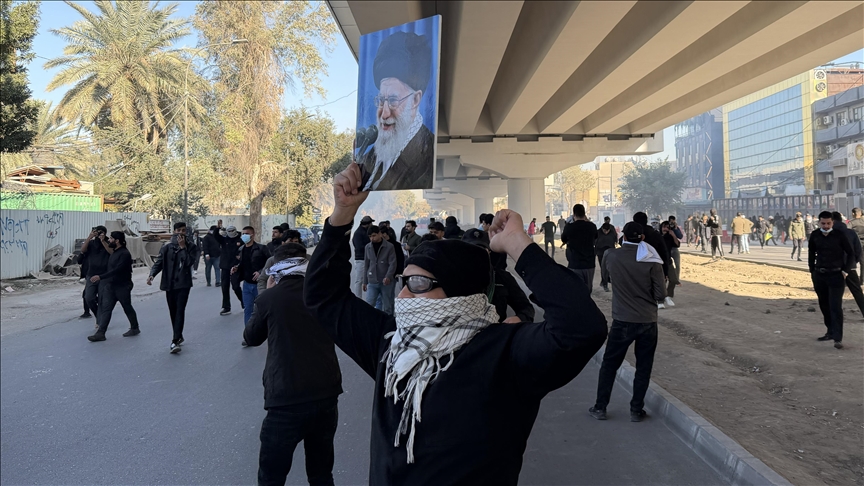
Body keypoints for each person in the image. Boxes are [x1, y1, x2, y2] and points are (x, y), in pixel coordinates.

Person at [304, 163, 607, 482]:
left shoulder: (506, 354)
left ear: (459, 290)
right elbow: (323, 296)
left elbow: (582, 327)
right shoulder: (393, 345)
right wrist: (342, 214)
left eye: (418, 284)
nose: (403, 297)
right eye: (404, 282)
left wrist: (517, 243)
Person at [244, 243, 343, 486]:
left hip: (286, 398)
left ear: (276, 267)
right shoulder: (324, 295)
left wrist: (264, 296)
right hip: (325, 393)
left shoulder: (270, 298)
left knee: (271, 477)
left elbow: (251, 337)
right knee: (321, 474)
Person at [589, 222, 665, 422]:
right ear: (642, 238)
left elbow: (606, 278)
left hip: (622, 320)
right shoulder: (652, 260)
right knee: (643, 367)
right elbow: (661, 295)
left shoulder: (611, 255)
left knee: (609, 364)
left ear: (622, 236)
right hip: (648, 320)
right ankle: (636, 410)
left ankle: (600, 407)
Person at [358, 31, 434, 191]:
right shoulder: (370, 155)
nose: (384, 114)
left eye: (393, 100)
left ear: (415, 100)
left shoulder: (429, 156)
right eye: (381, 100)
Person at [461, 228, 535, 323]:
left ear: (489, 252)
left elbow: (526, 307)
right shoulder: (452, 279)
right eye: (471, 250)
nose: (477, 255)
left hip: (497, 329)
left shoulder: (502, 277)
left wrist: (520, 318)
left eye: (482, 250)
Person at [148, 222, 197, 354]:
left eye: (183, 230)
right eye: (178, 230)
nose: (181, 233)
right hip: (169, 284)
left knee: (180, 310)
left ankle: (175, 340)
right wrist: (152, 275)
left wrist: (183, 248)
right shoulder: (167, 247)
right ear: (174, 231)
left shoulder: (191, 247)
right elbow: (159, 263)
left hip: (183, 284)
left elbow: (189, 263)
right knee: (173, 311)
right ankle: (178, 334)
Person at [809, 211, 853, 350]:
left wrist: (845, 270)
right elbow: (811, 253)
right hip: (820, 275)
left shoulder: (840, 235)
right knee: (824, 305)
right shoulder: (815, 235)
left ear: (832, 222)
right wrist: (812, 270)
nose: (826, 226)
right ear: (819, 222)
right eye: (823, 223)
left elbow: (851, 253)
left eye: (828, 223)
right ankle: (830, 331)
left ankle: (838, 338)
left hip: (836, 276)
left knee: (835, 306)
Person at [87, 232, 139, 341]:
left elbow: (117, 270)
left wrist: (101, 277)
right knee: (106, 309)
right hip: (111, 286)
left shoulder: (124, 254)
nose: (109, 240)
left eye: (111, 238)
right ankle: (101, 333)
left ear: (117, 241)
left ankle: (135, 328)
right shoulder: (114, 253)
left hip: (123, 286)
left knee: (127, 307)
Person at [232, 226, 271, 327]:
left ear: (252, 235)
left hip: (260, 284)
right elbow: (243, 263)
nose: (244, 236)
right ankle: (248, 332)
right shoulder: (241, 249)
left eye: (246, 234)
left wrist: (260, 272)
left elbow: (271, 264)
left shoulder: (262, 248)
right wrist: (236, 268)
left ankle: (263, 331)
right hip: (247, 284)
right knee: (248, 309)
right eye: (243, 234)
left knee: (261, 309)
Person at [832, 212, 864, 319]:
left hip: (834, 268)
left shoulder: (830, 233)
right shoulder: (851, 233)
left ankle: (837, 317)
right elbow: (858, 250)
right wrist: (853, 263)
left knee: (835, 294)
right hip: (850, 268)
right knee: (857, 292)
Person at [81, 225, 112, 328]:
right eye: (97, 232)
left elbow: (111, 252)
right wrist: (89, 237)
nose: (98, 234)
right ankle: (98, 314)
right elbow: (83, 250)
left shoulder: (108, 242)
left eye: (101, 232)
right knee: (89, 297)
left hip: (104, 275)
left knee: (102, 299)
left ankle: (100, 321)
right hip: (91, 274)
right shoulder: (91, 243)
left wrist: (103, 241)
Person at [561, 204, 597, 292]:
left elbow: (563, 239)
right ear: (584, 214)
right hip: (589, 264)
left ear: (574, 214)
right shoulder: (592, 226)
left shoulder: (569, 227)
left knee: (576, 290)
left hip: (575, 263)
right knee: (588, 290)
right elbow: (596, 237)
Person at [363, 225, 397, 315]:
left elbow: (392, 263)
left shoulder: (389, 246)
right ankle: (370, 322)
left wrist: (388, 276)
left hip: (386, 281)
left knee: (387, 306)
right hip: (372, 281)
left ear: (380, 234)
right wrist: (364, 281)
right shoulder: (368, 247)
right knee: (369, 303)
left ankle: (388, 322)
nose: (372, 238)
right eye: (370, 236)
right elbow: (366, 265)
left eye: (374, 235)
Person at [257, 230, 302, 296]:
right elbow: (262, 280)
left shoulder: (307, 260)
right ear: (283, 243)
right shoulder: (272, 261)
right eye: (290, 242)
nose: (293, 245)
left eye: (295, 242)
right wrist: (264, 296)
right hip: (276, 298)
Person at [214, 225, 245, 316]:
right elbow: (215, 235)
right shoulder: (224, 240)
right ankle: (226, 307)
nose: (231, 232)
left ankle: (244, 302)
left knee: (235, 286)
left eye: (232, 231)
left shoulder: (240, 240)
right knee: (224, 287)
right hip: (225, 267)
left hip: (235, 267)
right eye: (229, 231)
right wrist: (218, 227)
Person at [351, 215, 375, 299]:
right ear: (367, 224)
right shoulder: (358, 233)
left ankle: (370, 297)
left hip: (368, 258)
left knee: (370, 279)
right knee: (359, 280)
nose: (372, 225)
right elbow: (358, 247)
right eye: (371, 223)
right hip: (360, 259)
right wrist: (369, 247)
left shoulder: (366, 232)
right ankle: (358, 298)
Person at [661, 221, 680, 308]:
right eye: (664, 227)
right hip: (659, 262)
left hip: (668, 262)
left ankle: (668, 296)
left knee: (673, 279)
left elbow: (677, 244)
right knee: (661, 281)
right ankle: (660, 300)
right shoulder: (657, 237)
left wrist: (673, 235)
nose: (665, 229)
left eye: (667, 227)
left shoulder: (669, 237)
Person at [596, 220, 618, 292]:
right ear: (602, 228)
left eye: (607, 231)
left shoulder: (612, 233)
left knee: (609, 268)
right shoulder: (598, 233)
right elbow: (594, 242)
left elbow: (615, 240)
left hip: (610, 252)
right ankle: (604, 283)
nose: (606, 232)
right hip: (600, 253)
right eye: (605, 230)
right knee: (603, 268)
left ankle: (604, 281)